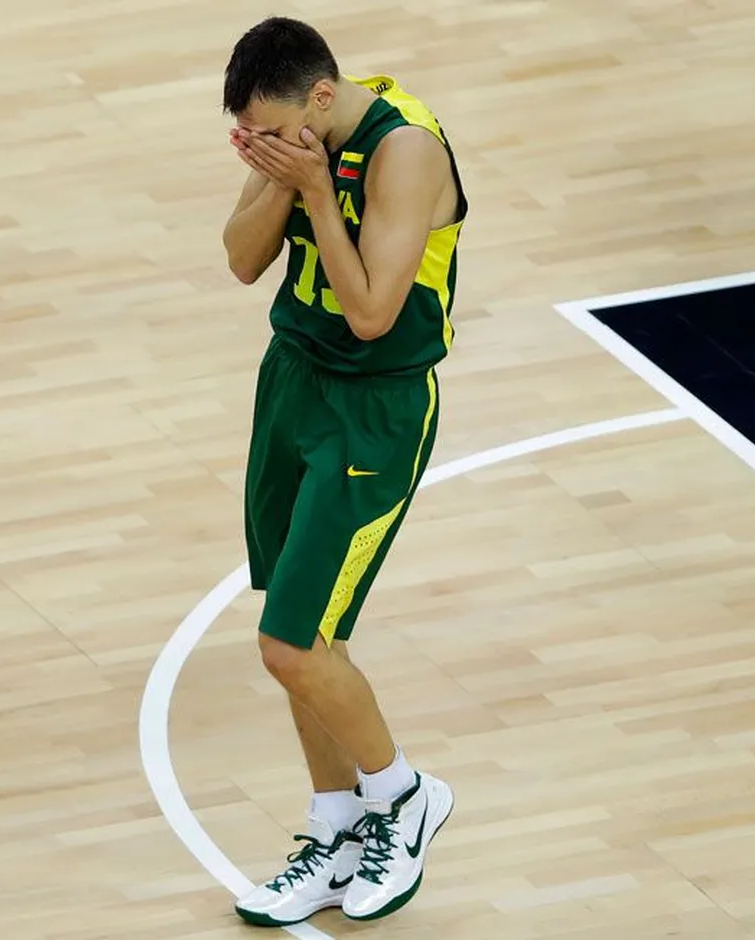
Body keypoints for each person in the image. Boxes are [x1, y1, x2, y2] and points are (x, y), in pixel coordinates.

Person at [219, 15, 468, 927]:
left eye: (276, 130)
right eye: (253, 135)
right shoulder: (298, 133)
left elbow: (369, 313)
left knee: (289, 644)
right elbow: (242, 260)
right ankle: (335, 830)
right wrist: (281, 179)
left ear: (321, 98)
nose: (269, 147)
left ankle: (404, 800)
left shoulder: (403, 151)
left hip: (375, 408)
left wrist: (317, 194)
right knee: (308, 648)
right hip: (293, 386)